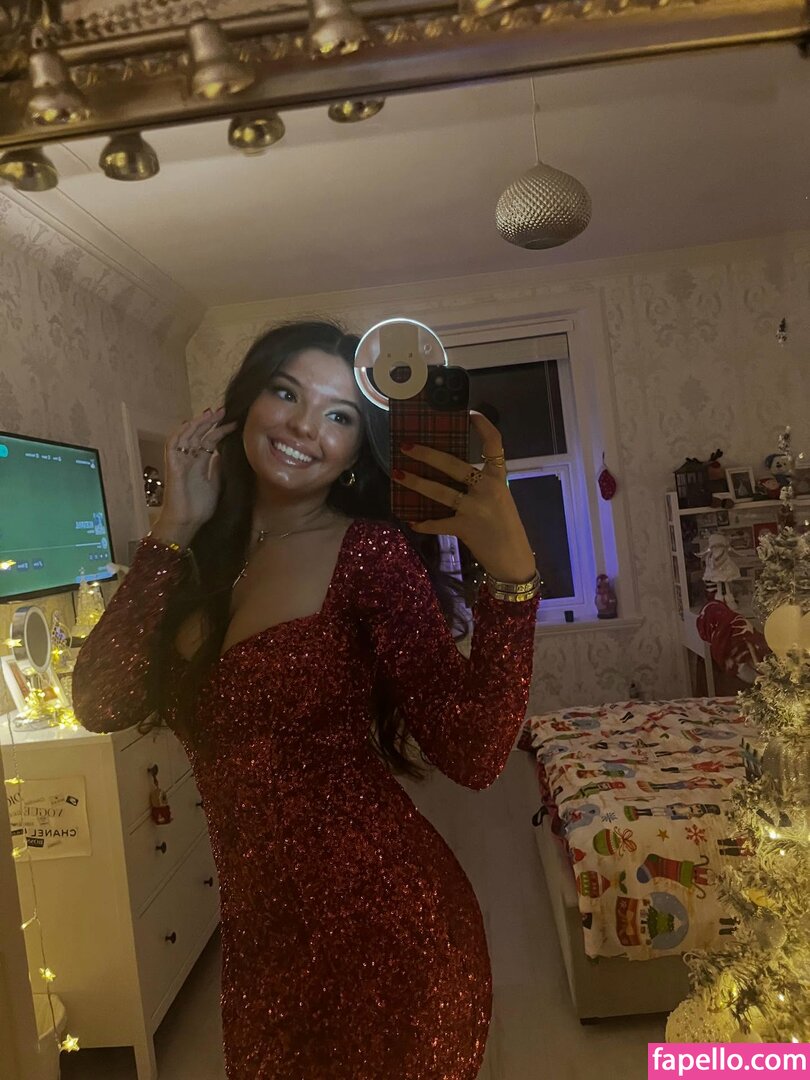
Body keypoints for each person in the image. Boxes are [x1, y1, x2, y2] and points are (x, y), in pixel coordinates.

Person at [72, 320, 540, 1079]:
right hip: (262, 952)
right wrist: (173, 527)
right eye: (286, 393)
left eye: (338, 414)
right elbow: (101, 700)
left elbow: (476, 753)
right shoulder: (197, 559)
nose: (302, 425)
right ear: (243, 406)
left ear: (358, 450)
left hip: (393, 938)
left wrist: (513, 577)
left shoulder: (370, 555)